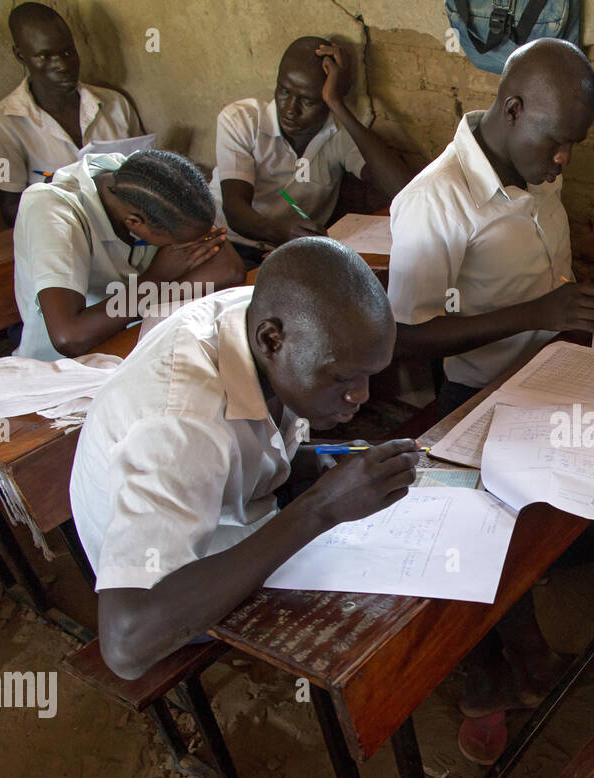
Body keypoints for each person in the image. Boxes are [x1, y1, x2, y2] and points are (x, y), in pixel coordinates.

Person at [388, 37, 594, 763]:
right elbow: (404, 341)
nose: (566, 161)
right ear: (512, 109)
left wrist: (583, 286)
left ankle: (513, 599)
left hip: (562, 367)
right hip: (485, 395)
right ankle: (505, 611)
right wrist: (539, 313)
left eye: (573, 147)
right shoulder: (434, 202)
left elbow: (538, 276)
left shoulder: (532, 166)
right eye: (559, 143)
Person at [69, 237, 419, 680]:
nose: (361, 396)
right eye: (342, 378)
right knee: (367, 633)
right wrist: (322, 507)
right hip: (174, 595)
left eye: (370, 375)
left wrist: (310, 462)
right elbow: (126, 645)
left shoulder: (272, 321)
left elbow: (248, 445)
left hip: (232, 517)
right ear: (270, 340)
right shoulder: (178, 424)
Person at [12, 148, 244, 361]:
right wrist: (157, 279)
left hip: (134, 342)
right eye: (180, 245)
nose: (193, 246)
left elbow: (228, 269)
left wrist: (146, 297)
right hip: (60, 370)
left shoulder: (151, 182)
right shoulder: (52, 208)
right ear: (135, 222)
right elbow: (69, 337)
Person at [211, 36, 413, 266]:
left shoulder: (339, 135)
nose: (290, 109)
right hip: (227, 245)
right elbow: (236, 211)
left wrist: (337, 104)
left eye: (308, 101)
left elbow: (406, 192)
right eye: (284, 91)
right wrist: (281, 233)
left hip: (287, 252)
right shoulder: (242, 120)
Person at [0, 2, 143, 227]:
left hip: (130, 235)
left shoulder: (114, 104)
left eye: (67, 52)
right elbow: (11, 212)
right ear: (20, 55)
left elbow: (147, 175)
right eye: (45, 57)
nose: (63, 65)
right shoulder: (2, 123)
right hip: (61, 238)